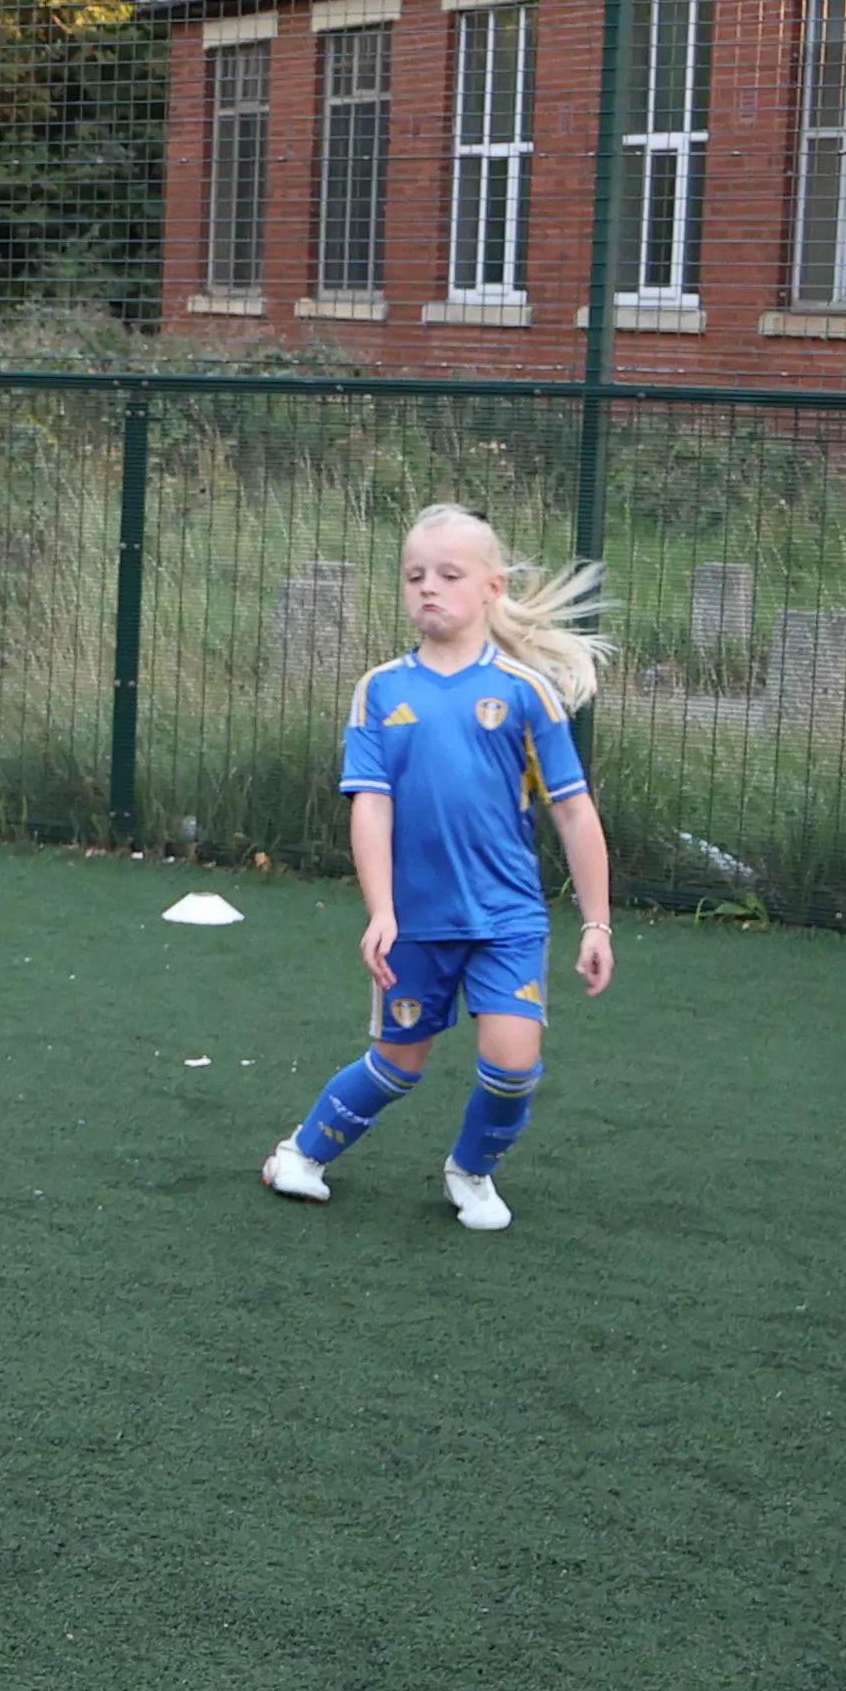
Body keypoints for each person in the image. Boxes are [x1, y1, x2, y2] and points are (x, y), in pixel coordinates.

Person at [260, 501, 617, 1232]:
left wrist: (597, 922)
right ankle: (299, 1155)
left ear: (491, 588)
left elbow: (574, 812)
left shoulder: (526, 693)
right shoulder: (382, 689)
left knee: (514, 1064)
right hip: (418, 920)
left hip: (507, 918)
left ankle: (471, 1172)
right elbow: (371, 807)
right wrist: (382, 911)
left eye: (449, 574)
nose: (429, 587)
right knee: (398, 1063)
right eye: (414, 575)